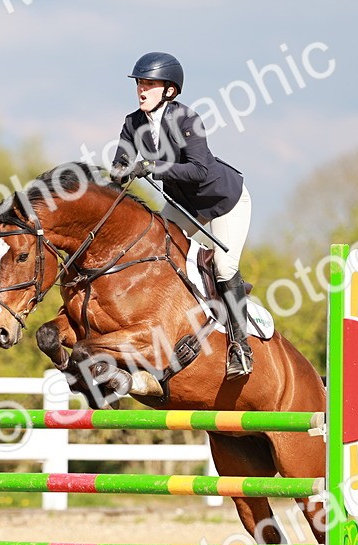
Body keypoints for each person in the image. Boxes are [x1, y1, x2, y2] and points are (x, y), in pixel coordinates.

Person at [110, 51, 254, 379]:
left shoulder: (187, 120)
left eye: (149, 84)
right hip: (182, 204)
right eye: (140, 84)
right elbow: (121, 159)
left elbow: (200, 170)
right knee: (156, 252)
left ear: (170, 90)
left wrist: (150, 166)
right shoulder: (132, 122)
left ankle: (239, 347)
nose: (142, 90)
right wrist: (120, 171)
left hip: (224, 200)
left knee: (223, 264)